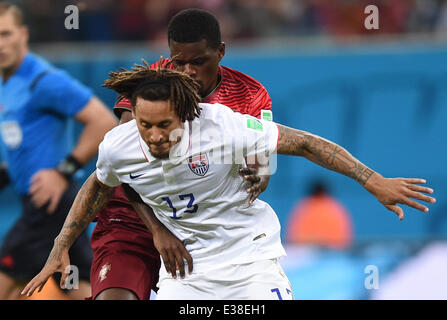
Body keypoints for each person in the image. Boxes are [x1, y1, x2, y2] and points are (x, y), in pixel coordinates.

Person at [21, 64, 436, 299]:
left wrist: (372, 180)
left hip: (248, 265)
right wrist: (60, 245)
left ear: (185, 114)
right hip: (187, 276)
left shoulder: (224, 127)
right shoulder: (119, 145)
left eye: (164, 125)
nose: (154, 136)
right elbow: (98, 183)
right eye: (145, 125)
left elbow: (306, 144)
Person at [88, 8, 273, 300]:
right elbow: (124, 162)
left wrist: (260, 173)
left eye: (198, 62)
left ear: (221, 52)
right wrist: (158, 230)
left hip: (198, 230)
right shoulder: (149, 84)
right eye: (179, 62)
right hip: (134, 217)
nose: (188, 72)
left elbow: (263, 159)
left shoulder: (250, 95)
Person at [0, 3, 117, 299]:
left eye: (6, 34)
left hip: (48, 203)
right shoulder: (8, 82)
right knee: (76, 284)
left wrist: (62, 171)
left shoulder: (44, 80)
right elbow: (25, 143)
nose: (0, 44)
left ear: (23, 35)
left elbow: (103, 121)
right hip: (52, 204)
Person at [286, 180, 353, 249]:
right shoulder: (335, 208)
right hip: (333, 251)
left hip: (309, 251)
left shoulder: (303, 207)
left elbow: (294, 236)